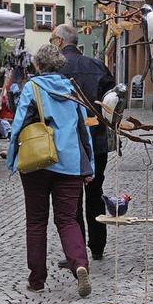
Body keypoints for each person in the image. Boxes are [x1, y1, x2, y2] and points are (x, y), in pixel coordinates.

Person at [6, 44, 94, 297]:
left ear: (37, 65)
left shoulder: (32, 88)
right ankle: (79, 264)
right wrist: (89, 165)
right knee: (68, 219)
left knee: (36, 221)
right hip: (70, 162)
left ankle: (37, 279)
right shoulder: (71, 89)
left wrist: (12, 159)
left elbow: (19, 125)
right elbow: (83, 129)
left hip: (38, 161)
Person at [52, 24, 115, 265]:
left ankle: (76, 252)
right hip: (96, 141)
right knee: (95, 192)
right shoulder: (98, 65)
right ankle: (97, 246)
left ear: (59, 42)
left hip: (67, 142)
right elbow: (113, 101)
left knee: (71, 198)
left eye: (51, 40)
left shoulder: (56, 69)